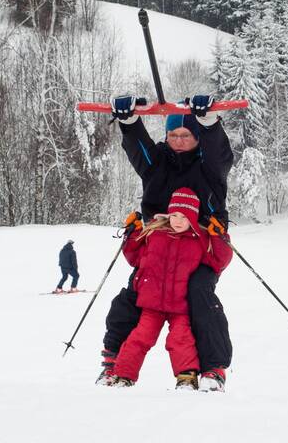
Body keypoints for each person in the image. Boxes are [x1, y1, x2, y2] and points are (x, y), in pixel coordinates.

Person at [99, 94, 236, 392]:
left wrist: (209, 123)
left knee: (198, 291)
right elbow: (140, 151)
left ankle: (213, 369)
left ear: (196, 136)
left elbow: (220, 154)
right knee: (135, 292)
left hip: (201, 244)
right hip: (159, 243)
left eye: (186, 134)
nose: (178, 141)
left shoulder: (208, 165)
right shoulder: (157, 161)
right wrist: (129, 121)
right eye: (172, 134)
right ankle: (113, 362)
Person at [107, 188, 233, 389]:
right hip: (152, 304)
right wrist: (133, 232)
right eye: (174, 215)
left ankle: (186, 377)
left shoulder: (199, 239)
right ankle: (123, 376)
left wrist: (218, 236)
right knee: (139, 338)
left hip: (179, 306)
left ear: (193, 217)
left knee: (180, 340)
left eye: (184, 216)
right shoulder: (155, 234)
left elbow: (219, 260)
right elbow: (134, 257)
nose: (178, 221)